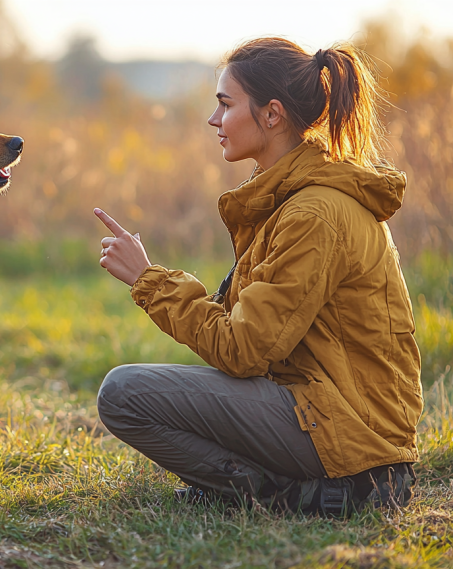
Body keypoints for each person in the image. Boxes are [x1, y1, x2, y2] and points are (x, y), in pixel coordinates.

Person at [93, 38, 420, 516]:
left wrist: (150, 280)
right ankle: (280, 486)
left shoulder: (314, 214)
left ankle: (297, 496)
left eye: (225, 104)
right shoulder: (289, 200)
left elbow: (242, 351)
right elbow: (250, 333)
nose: (213, 119)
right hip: (324, 412)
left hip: (354, 442)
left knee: (124, 394)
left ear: (272, 115)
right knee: (132, 392)